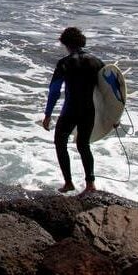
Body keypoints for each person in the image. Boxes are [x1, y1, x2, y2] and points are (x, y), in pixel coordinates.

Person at [42, 27, 103, 194]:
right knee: (84, 145)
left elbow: (54, 90)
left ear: (65, 43)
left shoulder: (64, 63)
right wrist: (114, 116)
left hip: (70, 110)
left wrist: (48, 115)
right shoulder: (97, 62)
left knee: (60, 143)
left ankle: (68, 182)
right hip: (89, 110)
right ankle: (90, 185)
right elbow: (109, 91)